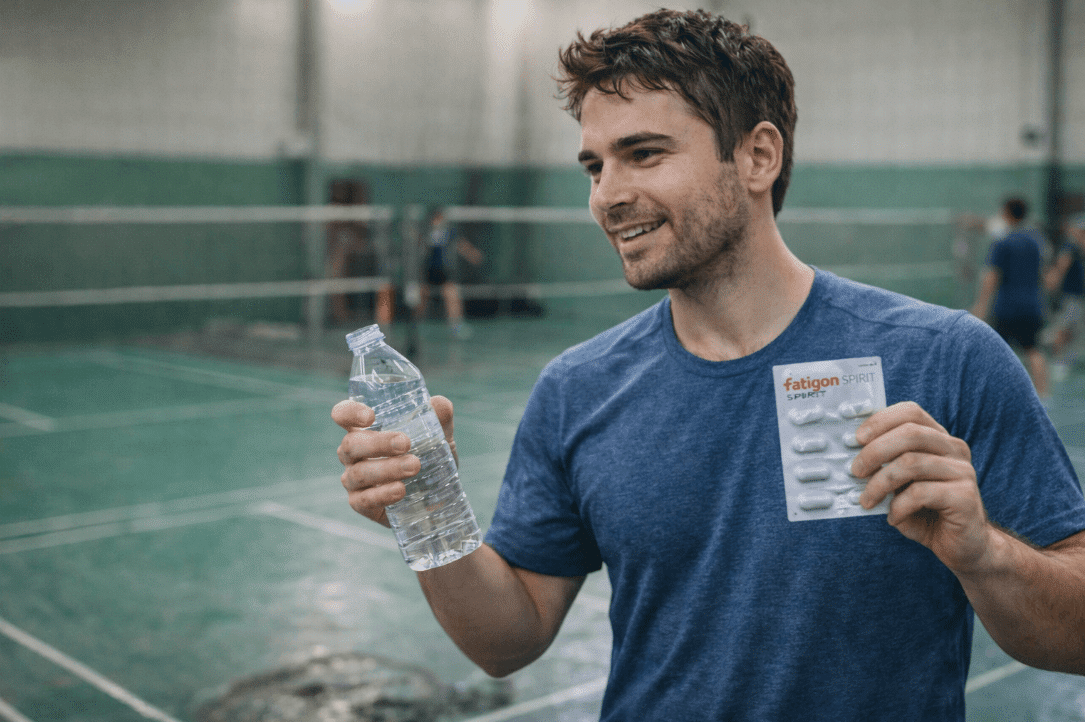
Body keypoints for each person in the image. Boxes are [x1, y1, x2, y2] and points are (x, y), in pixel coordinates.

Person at [333, 9, 1085, 720]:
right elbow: (506, 640)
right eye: (593, 166)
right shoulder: (577, 389)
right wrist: (425, 508)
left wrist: (984, 556)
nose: (608, 196)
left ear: (758, 155)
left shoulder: (945, 357)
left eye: (644, 153)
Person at [970, 197, 1050, 398]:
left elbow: (992, 277)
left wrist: (981, 305)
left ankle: (996, 395)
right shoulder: (1035, 242)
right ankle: (1043, 394)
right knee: (1033, 349)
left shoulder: (1002, 243)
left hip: (1007, 307)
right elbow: (1045, 275)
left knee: (997, 352)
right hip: (1032, 305)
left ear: (1006, 213)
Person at [418, 208, 484, 339]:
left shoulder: (449, 232)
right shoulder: (426, 233)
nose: (438, 221)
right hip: (429, 270)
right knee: (422, 299)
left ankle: (456, 326)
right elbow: (419, 247)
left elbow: (461, 245)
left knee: (452, 296)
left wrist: (472, 254)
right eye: (436, 218)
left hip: (444, 270)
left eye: (440, 218)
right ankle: (417, 325)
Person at [1043, 218, 1085, 381]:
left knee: (1073, 329)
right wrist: (1054, 279)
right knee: (1064, 327)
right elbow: (1062, 265)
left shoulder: (1078, 247)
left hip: (1079, 297)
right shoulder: (1070, 247)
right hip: (1072, 297)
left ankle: (1066, 359)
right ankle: (1058, 360)